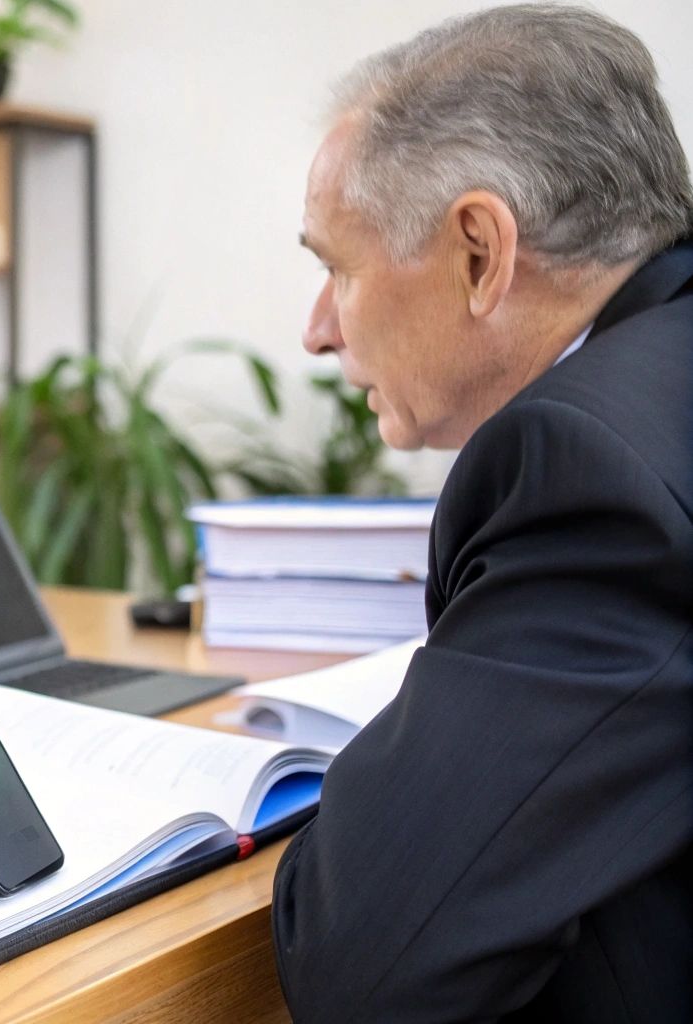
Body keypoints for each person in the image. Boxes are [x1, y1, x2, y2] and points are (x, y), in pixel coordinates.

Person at [275, 6, 693, 1020]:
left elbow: (364, 969)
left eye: (335, 265)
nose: (315, 330)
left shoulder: (588, 467)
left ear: (477, 251)